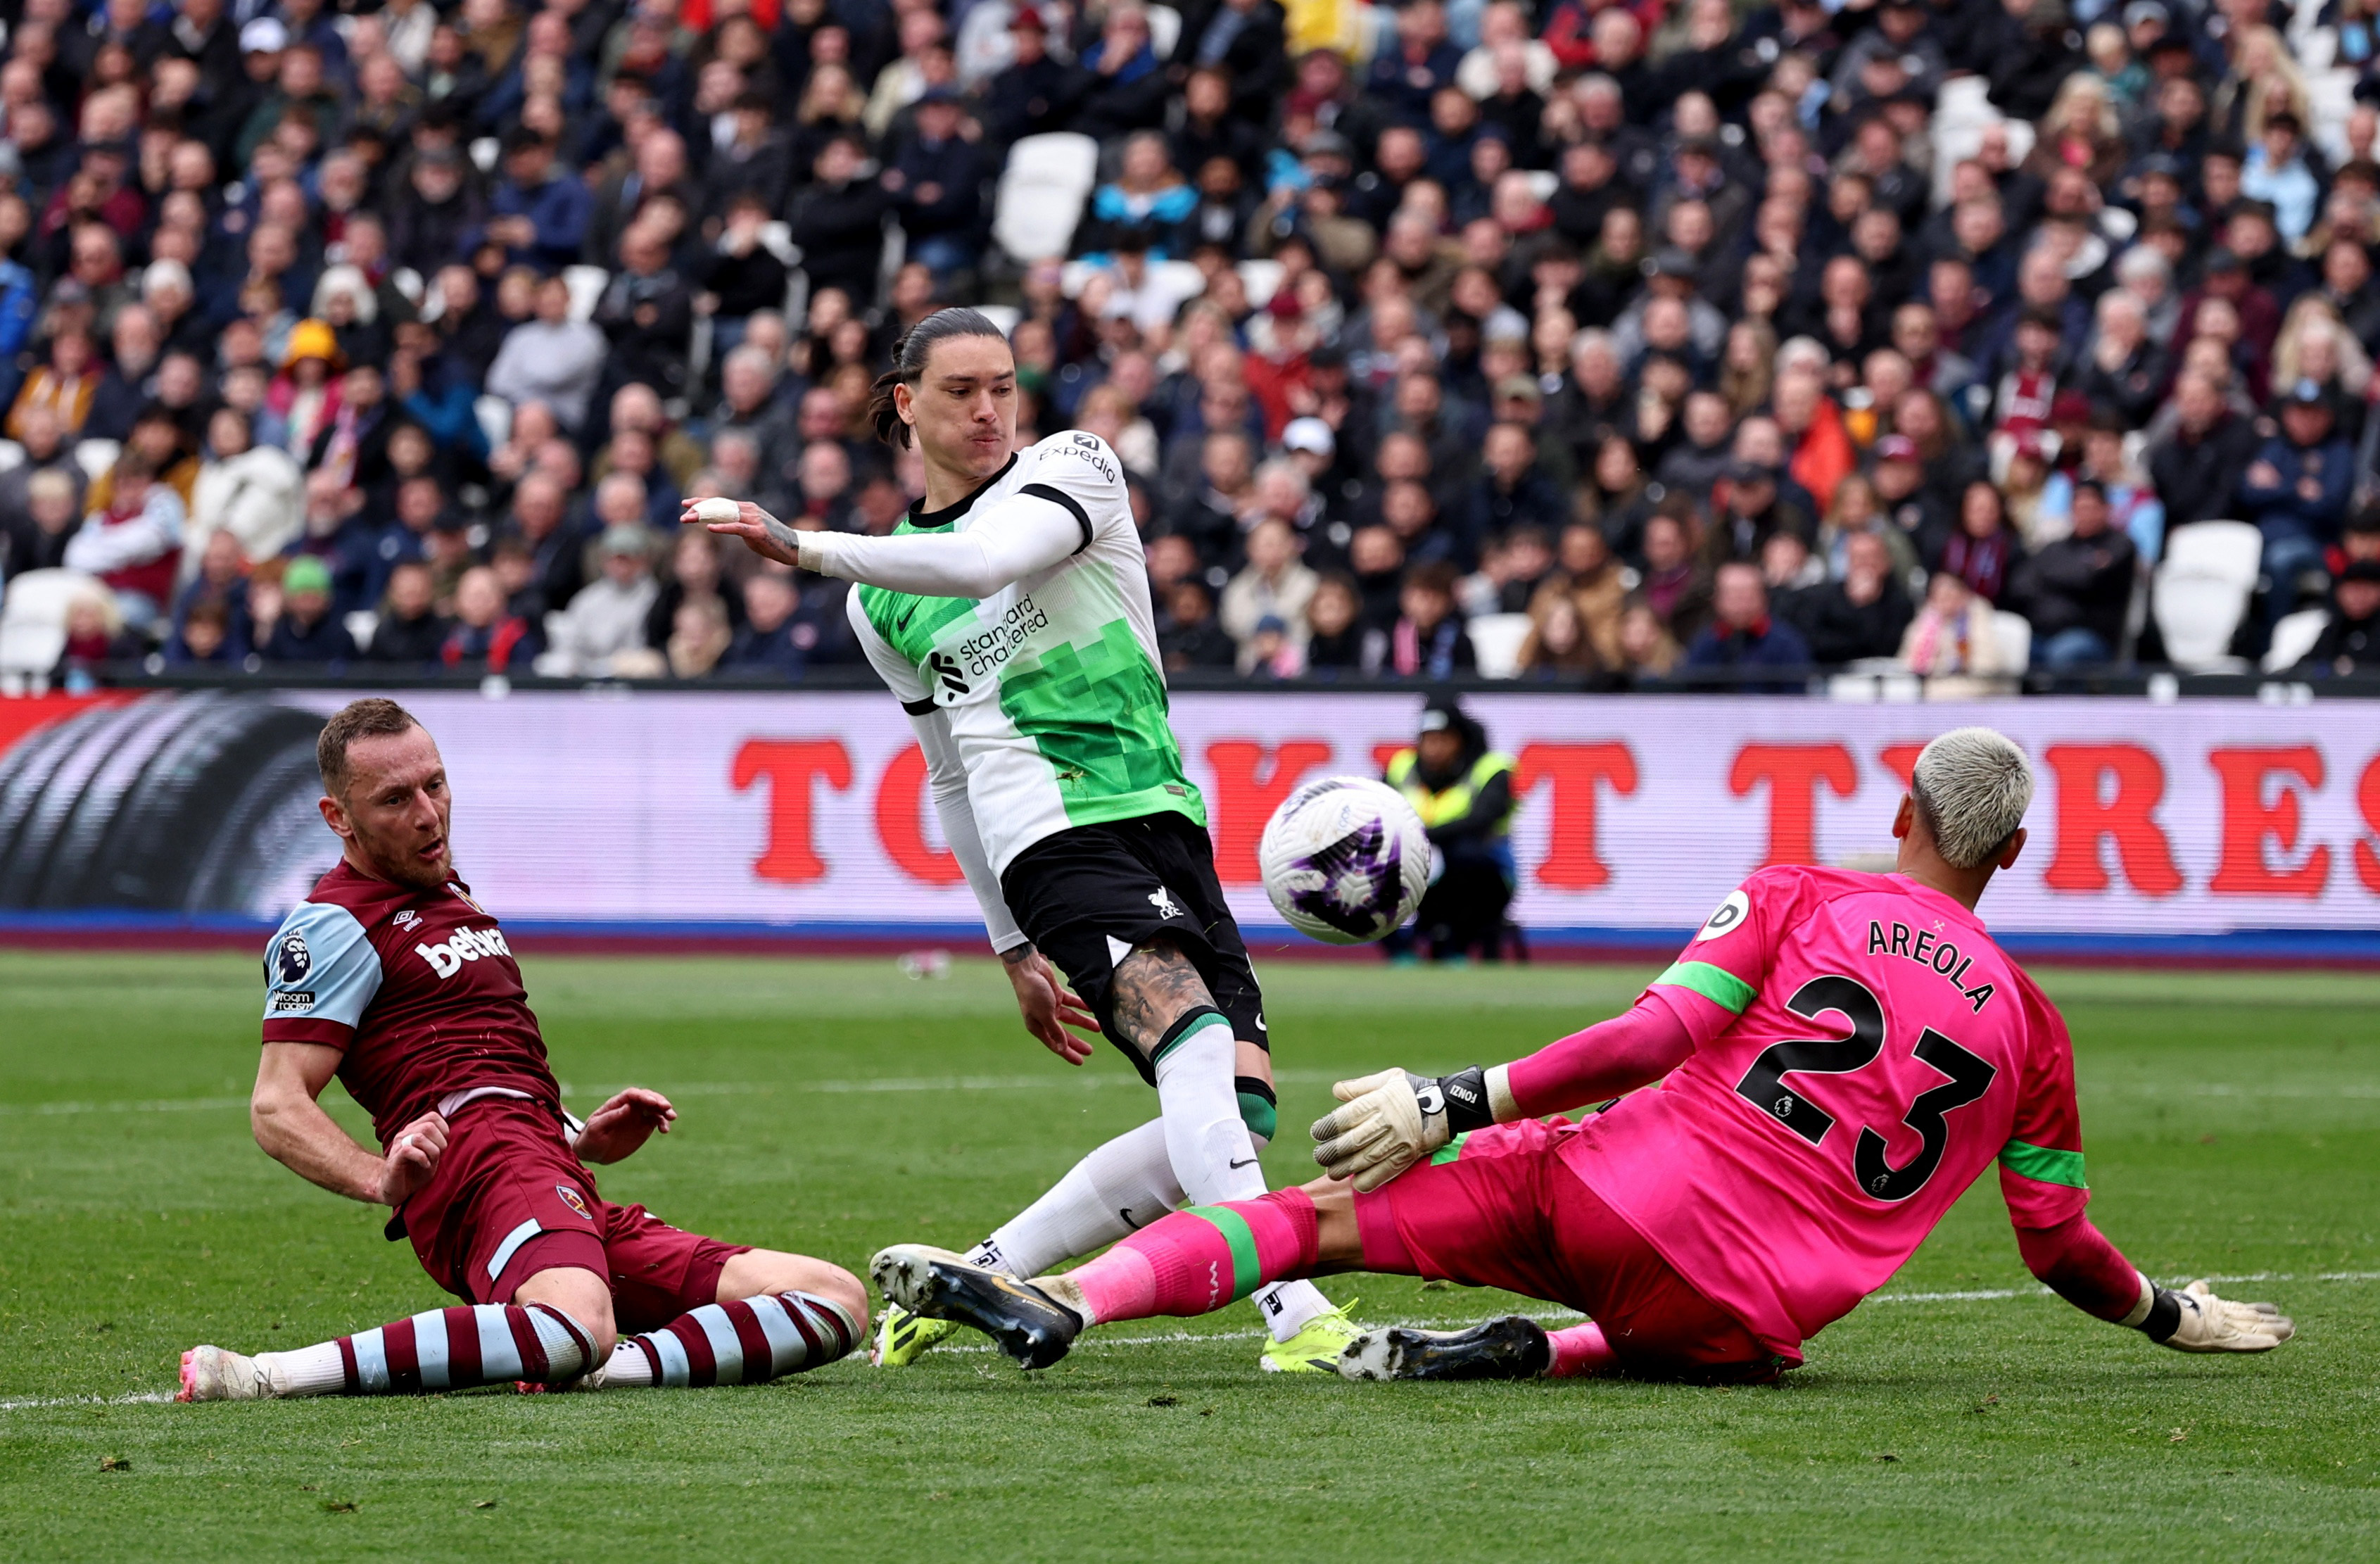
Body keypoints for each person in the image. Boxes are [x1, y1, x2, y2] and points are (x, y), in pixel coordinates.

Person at [873, 729, 2297, 1381]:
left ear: (1905, 802)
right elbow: (2054, 1245)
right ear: (2015, 851)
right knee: (1688, 1340)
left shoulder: (1803, 893)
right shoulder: (2032, 1029)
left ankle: (1063, 1295)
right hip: (1744, 1318)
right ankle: (1534, 1358)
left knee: (1308, 1221)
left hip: (1605, 1190)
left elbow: (1661, 1032)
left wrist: (1455, 1095)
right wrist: (2166, 1314)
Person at [689, 308, 1360, 1375]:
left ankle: (979, 1270)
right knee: (1186, 1044)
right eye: (960, 390)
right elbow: (949, 771)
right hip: (1046, 836)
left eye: (1002, 384)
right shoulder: (877, 600)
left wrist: (800, 546)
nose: (990, 408)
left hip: (1163, 816)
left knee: (1236, 1110)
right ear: (905, 404)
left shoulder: (1073, 466)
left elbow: (986, 559)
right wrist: (1009, 943)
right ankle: (1296, 1313)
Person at [178, 700, 867, 1401]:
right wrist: (375, 1176)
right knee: (576, 1323)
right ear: (338, 818)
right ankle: (268, 1373)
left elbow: (486, 1057)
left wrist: (581, 1134)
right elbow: (275, 1104)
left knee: (833, 1298)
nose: (429, 814)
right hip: (478, 1167)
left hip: (547, 1162)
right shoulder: (332, 925)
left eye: (435, 785)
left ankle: (599, 1361)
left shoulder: (451, 893)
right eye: (395, 799)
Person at [1381, 695, 1519, 965]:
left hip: (1484, 876)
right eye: (1428, 739)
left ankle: (1458, 948)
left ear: (1460, 739)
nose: (1434, 748)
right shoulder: (1401, 766)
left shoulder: (1492, 768)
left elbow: (1482, 820)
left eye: (1443, 739)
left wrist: (1422, 837)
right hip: (1418, 870)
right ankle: (1400, 953)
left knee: (1465, 855)